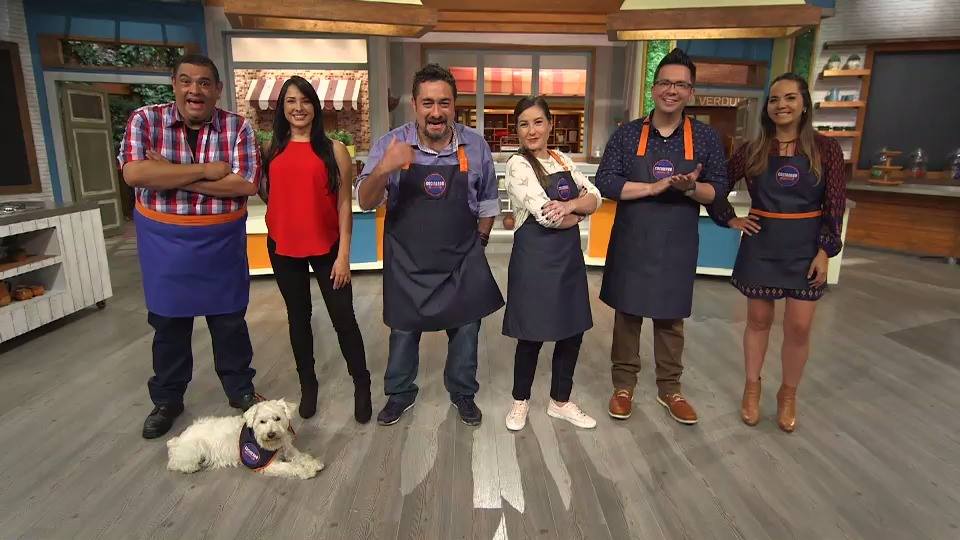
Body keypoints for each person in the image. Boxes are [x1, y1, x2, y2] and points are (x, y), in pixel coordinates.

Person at [119, 54, 262, 439]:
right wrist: (206, 171)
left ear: (217, 89)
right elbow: (135, 173)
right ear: (174, 84)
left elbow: (245, 184)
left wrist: (168, 172)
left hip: (221, 244)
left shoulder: (237, 127)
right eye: (186, 81)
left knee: (230, 323)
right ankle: (167, 399)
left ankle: (240, 390)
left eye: (204, 83)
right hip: (164, 244)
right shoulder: (145, 120)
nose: (194, 90)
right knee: (168, 325)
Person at [356, 64, 504, 427]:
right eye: (427, 103)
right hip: (407, 260)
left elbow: (488, 203)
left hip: (461, 257)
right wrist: (383, 169)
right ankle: (400, 392)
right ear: (414, 105)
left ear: (454, 105)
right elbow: (365, 201)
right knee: (404, 330)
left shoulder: (475, 145)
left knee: (467, 328)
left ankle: (462, 392)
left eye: (444, 103)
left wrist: (480, 243)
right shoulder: (391, 144)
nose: (436, 112)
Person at [595, 48, 727, 425]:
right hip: (633, 239)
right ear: (653, 89)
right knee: (628, 314)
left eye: (681, 85)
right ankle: (623, 386)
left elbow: (718, 189)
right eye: (666, 82)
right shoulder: (627, 134)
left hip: (677, 241)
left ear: (691, 92)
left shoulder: (705, 137)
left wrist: (690, 187)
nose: (672, 90)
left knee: (671, 318)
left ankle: (670, 389)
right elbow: (606, 182)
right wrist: (653, 188)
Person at [708, 72, 846, 433]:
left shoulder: (826, 149)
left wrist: (825, 250)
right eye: (773, 99)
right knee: (757, 321)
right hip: (761, 243)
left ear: (804, 105)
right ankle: (752, 389)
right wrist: (729, 218)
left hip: (806, 247)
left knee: (799, 327)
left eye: (789, 98)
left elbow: (835, 204)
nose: (780, 105)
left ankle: (788, 395)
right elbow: (716, 185)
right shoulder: (752, 149)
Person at [259, 76, 372, 423]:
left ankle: (362, 384)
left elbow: (344, 204)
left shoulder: (334, 149)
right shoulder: (271, 149)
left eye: (305, 101)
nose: (298, 108)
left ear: (315, 106)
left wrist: (344, 255)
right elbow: (267, 191)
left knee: (344, 319)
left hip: (328, 247)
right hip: (283, 247)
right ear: (282, 108)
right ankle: (308, 385)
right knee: (298, 319)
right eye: (291, 101)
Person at [501, 96, 601, 431]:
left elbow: (595, 197)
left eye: (538, 122)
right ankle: (520, 401)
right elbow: (546, 216)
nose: (531, 130)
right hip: (534, 259)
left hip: (568, 259)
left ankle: (560, 401)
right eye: (524, 124)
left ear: (550, 124)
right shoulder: (518, 165)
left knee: (571, 330)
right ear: (517, 130)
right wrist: (579, 213)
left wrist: (571, 206)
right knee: (531, 333)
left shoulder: (562, 159)